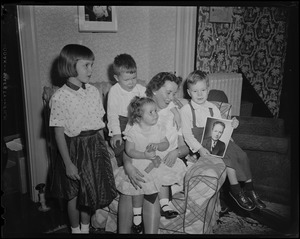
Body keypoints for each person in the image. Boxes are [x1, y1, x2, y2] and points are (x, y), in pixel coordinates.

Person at [48, 44, 118, 234]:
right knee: (74, 195)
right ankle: (75, 230)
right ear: (71, 66)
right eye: (86, 65)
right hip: (74, 149)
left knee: (89, 193)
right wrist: (68, 163)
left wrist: (105, 146)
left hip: (94, 146)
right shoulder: (60, 97)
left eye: (91, 65)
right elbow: (58, 133)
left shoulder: (93, 92)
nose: (90, 70)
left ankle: (85, 230)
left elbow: (99, 123)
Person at [180, 70, 266, 211]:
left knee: (242, 155)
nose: (200, 94)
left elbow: (222, 127)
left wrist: (232, 126)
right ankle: (236, 191)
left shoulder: (213, 107)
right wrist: (199, 149)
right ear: (189, 93)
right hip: (201, 141)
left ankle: (250, 189)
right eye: (195, 91)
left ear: (208, 90)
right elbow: (187, 134)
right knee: (229, 158)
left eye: (203, 90)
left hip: (216, 138)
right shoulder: (186, 110)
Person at [117, 72, 190, 234]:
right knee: (130, 187)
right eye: (168, 92)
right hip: (139, 161)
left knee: (152, 190)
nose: (171, 97)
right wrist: (128, 166)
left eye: (174, 93)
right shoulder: (141, 110)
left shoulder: (176, 113)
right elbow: (129, 146)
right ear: (155, 90)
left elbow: (185, 147)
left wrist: (177, 152)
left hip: (163, 163)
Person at [107, 53, 146, 167]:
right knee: (119, 147)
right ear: (116, 78)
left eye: (134, 78)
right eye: (127, 79)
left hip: (136, 122)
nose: (131, 82)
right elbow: (112, 114)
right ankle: (117, 162)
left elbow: (151, 98)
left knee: (136, 146)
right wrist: (116, 134)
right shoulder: (114, 91)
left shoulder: (140, 89)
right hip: (120, 122)